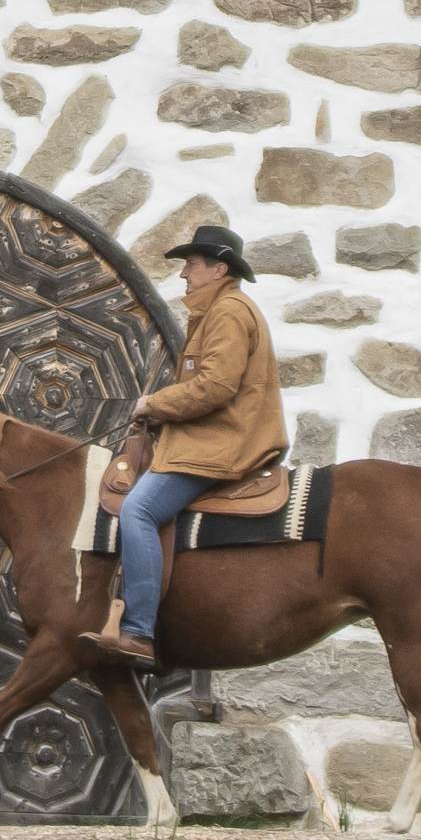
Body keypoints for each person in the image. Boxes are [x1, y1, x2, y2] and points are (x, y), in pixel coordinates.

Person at [79, 225, 287, 668]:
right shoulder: (217, 312)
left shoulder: (228, 312)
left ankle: (137, 631)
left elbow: (215, 386)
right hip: (211, 439)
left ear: (219, 268)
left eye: (192, 265)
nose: (184, 276)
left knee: (139, 509)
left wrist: (154, 403)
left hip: (221, 444)